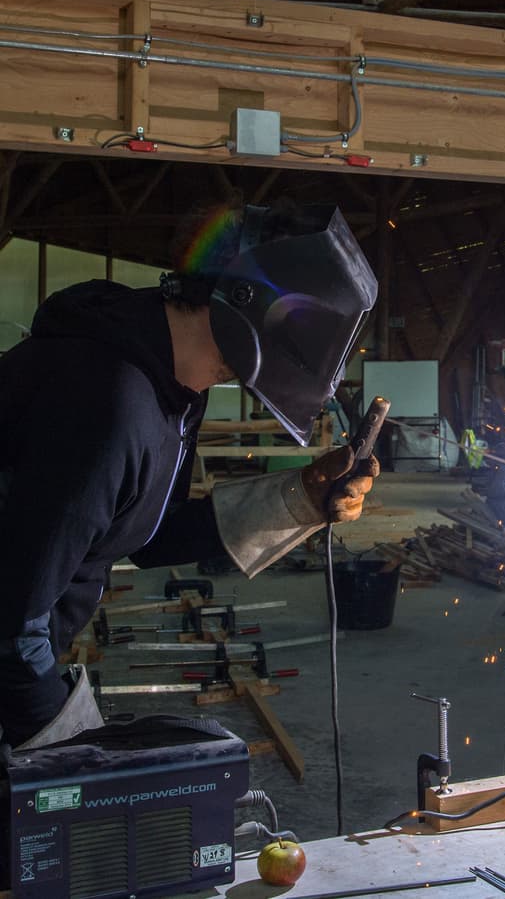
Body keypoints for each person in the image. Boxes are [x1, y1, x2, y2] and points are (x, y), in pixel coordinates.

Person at [0, 196, 379, 749]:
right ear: (250, 303)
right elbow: (10, 627)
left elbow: (150, 537)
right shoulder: (107, 401)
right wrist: (68, 751)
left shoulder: (179, 391)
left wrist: (300, 499)